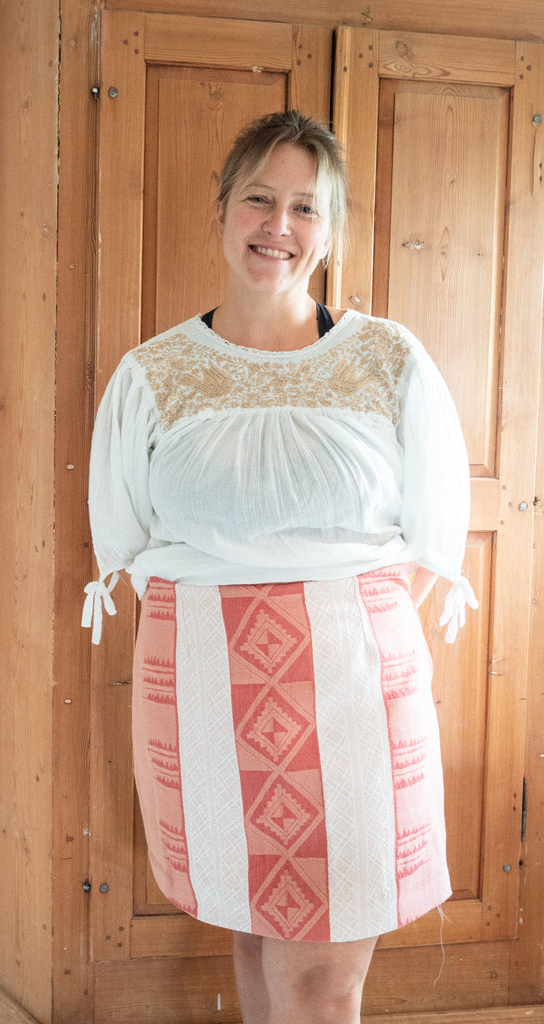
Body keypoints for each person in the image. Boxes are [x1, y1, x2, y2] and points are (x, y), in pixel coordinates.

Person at [82, 110, 477, 1024]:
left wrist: (318, 617)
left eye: (305, 206)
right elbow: (132, 543)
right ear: (221, 208)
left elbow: (428, 535)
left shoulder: (387, 359)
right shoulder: (153, 373)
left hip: (352, 687)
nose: (279, 226)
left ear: (329, 230)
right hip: (199, 687)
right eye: (259, 198)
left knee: (322, 976)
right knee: (254, 933)